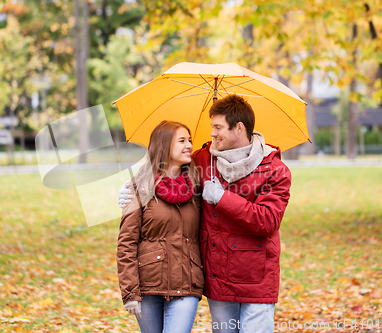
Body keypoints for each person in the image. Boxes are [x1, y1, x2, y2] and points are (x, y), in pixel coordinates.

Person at [120, 95, 292, 333]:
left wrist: (222, 198)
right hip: (219, 275)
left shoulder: (274, 170)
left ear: (239, 128)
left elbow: (268, 221)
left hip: (257, 276)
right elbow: (164, 160)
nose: (212, 134)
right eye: (212, 127)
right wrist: (132, 186)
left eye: (218, 127)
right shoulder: (203, 161)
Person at [117, 120, 204, 333]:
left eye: (190, 140)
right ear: (164, 145)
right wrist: (130, 292)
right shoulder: (140, 187)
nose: (189, 146)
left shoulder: (197, 187)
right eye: (182, 140)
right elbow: (126, 243)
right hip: (148, 284)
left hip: (187, 282)